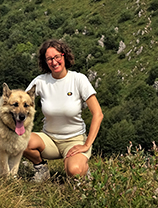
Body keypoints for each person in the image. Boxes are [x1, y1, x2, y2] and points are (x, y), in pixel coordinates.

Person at [23, 39, 104, 182]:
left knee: (74, 172)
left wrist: (86, 144)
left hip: (74, 140)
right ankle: (41, 170)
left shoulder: (78, 79)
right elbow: (18, 101)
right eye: (49, 59)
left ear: (64, 56)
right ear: (45, 62)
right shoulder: (41, 81)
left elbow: (98, 114)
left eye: (57, 57)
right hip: (49, 139)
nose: (54, 62)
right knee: (19, 140)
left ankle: (81, 167)